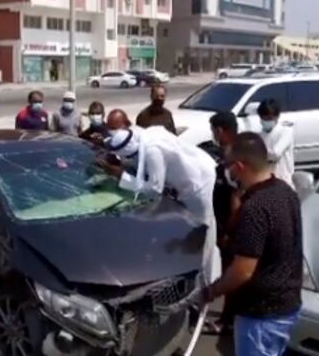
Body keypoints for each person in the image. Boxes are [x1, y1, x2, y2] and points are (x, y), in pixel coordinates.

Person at [200, 132, 302, 356]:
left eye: (228, 165)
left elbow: (242, 271)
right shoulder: (287, 192)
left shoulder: (256, 208)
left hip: (261, 314)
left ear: (239, 167)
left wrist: (212, 291)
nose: (227, 171)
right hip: (287, 306)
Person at [99, 110, 221, 287]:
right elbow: (135, 161)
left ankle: (209, 281)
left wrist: (122, 176)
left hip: (197, 183)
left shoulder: (152, 151)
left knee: (203, 230)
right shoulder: (139, 135)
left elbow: (154, 189)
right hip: (189, 177)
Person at [204, 111, 241, 334]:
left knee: (231, 274)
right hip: (225, 225)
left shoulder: (233, 157)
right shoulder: (230, 152)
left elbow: (237, 198)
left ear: (220, 130)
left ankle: (228, 321)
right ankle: (230, 317)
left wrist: (229, 230)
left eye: (213, 131)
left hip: (230, 227)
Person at [256, 99, 295, 189]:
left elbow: (275, 154)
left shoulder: (285, 132)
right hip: (265, 182)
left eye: (269, 118)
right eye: (263, 118)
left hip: (283, 181)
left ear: (277, 116)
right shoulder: (260, 135)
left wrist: (256, 152)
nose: (266, 121)